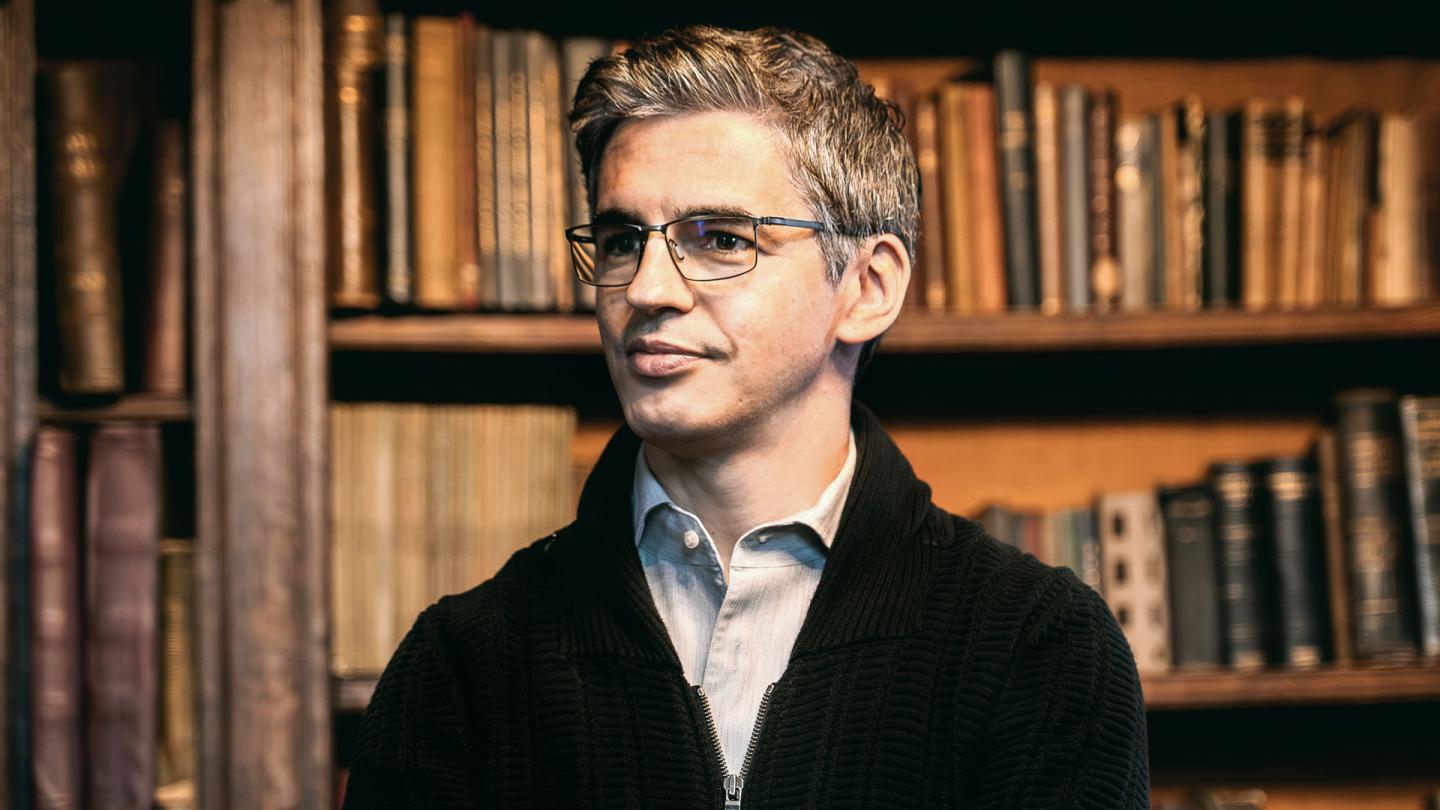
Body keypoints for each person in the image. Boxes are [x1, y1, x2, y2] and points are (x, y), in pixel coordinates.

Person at [343, 24, 1149, 809]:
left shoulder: (1037, 646)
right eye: (621, 241)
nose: (647, 289)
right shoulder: (460, 666)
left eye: (720, 238)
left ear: (868, 288)